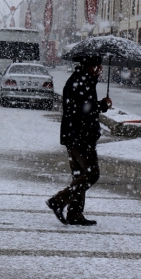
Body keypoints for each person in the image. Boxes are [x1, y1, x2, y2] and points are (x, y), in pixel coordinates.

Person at [46, 55, 112, 226]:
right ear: (90, 66)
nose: (100, 69)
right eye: (98, 66)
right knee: (92, 174)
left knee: (79, 175)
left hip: (74, 134)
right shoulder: (82, 81)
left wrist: (98, 105)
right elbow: (82, 109)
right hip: (81, 136)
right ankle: (59, 200)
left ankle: (75, 213)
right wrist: (102, 106)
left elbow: (82, 106)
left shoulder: (81, 79)